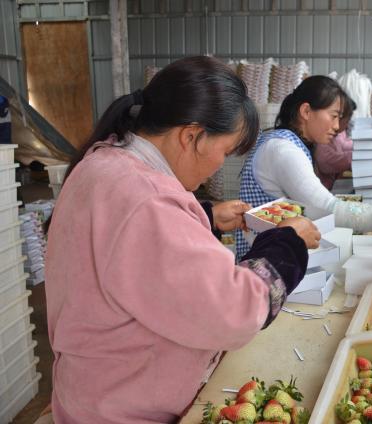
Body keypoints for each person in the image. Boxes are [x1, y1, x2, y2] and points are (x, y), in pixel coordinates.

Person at [44, 56, 320, 423]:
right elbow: (232, 312)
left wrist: (203, 217)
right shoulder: (148, 200)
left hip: (89, 392)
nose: (221, 164)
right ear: (190, 136)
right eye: (224, 151)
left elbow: (124, 250)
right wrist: (289, 243)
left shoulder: (104, 162)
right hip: (124, 409)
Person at [236, 75, 372, 257]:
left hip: (274, 252)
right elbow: (328, 208)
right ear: (306, 111)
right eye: (333, 116)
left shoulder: (285, 143)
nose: (337, 126)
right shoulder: (283, 151)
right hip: (264, 261)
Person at [313, 96, 355, 190]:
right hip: (324, 188)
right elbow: (325, 161)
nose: (347, 124)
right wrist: (355, 156)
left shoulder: (339, 133)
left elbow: (343, 145)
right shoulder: (324, 136)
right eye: (346, 120)